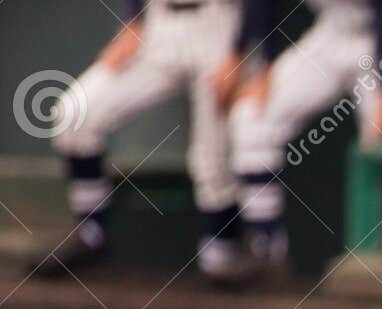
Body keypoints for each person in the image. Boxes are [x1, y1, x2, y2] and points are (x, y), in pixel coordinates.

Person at [25, 0, 250, 281]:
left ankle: (222, 252)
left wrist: (240, 49)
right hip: (158, 25)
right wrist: (132, 19)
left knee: (212, 159)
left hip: (221, 27)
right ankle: (91, 234)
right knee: (73, 115)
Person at [226, 0, 382, 280]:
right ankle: (267, 248)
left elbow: (380, 8)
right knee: (251, 116)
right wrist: (262, 66)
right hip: (334, 32)